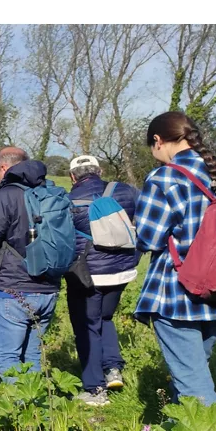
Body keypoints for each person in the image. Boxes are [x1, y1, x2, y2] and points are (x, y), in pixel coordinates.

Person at [135, 111, 216, 406]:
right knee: (193, 371)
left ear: (158, 141)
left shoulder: (164, 177)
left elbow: (149, 238)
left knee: (194, 386)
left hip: (177, 293)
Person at [0, 147, 61, 383]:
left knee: (5, 359)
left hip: (13, 289)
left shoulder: (7, 195)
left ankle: (26, 412)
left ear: (3, 168)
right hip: (49, 288)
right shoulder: (50, 192)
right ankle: (40, 409)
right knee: (31, 356)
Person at [65, 155, 140, 406]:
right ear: (100, 171)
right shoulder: (126, 191)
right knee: (105, 317)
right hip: (122, 271)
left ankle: (95, 389)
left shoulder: (67, 201)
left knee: (88, 325)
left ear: (73, 177)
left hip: (87, 273)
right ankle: (113, 369)